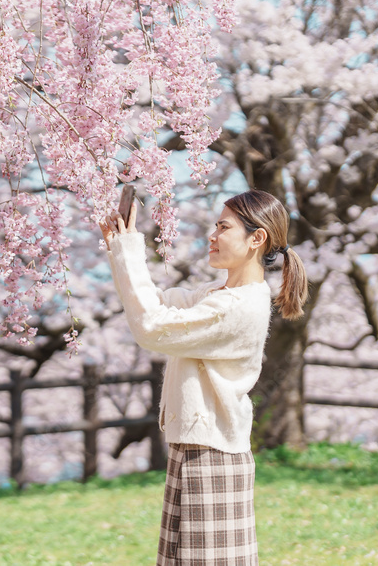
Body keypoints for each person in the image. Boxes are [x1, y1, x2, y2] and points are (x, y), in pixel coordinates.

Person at [99, 188, 308, 566]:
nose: (213, 236)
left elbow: (152, 327)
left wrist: (128, 249)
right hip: (199, 448)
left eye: (224, 228)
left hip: (212, 456)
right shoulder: (219, 293)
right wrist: (120, 249)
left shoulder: (238, 306)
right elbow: (154, 304)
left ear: (256, 239)